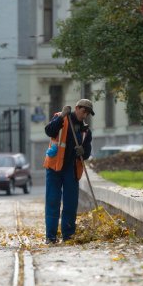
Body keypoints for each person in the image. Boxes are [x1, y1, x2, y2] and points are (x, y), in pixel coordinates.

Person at [43, 98, 93, 243]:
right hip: (54, 168)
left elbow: (86, 154)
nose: (85, 115)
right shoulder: (62, 118)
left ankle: (68, 235)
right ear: (77, 108)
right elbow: (49, 131)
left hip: (71, 171)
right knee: (53, 202)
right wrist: (61, 116)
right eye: (84, 111)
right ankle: (50, 237)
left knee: (70, 204)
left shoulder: (85, 131)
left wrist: (82, 151)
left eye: (87, 113)